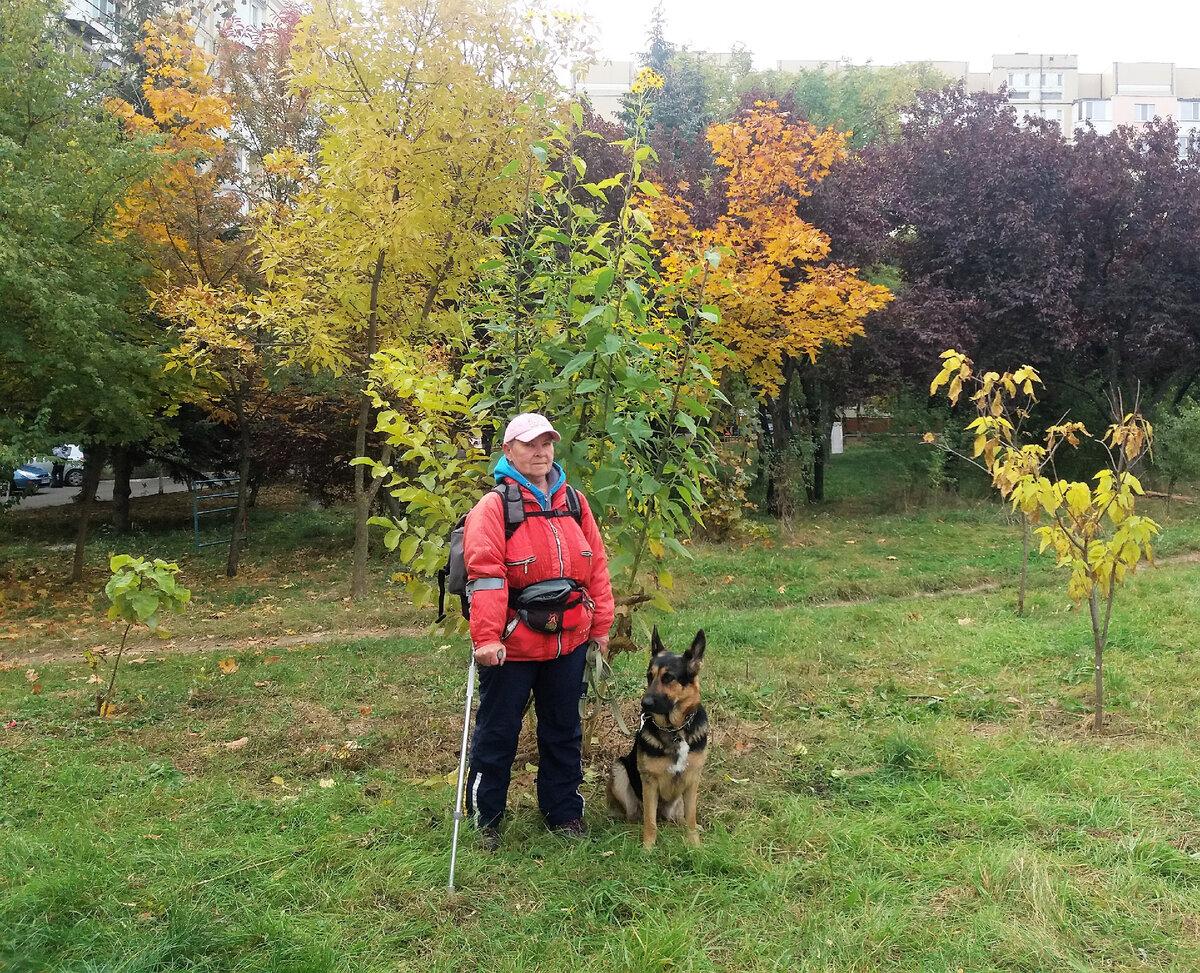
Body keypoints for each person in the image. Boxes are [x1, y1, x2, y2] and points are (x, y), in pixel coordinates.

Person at [462, 412, 614, 849]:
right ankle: (485, 817)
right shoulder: (494, 507)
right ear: (508, 451)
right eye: (529, 444)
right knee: (498, 732)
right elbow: (486, 575)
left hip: (569, 640)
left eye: (546, 443)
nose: (540, 451)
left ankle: (563, 812)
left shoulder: (575, 503)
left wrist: (600, 626)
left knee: (564, 730)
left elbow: (596, 570)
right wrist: (487, 638)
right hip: (511, 646)